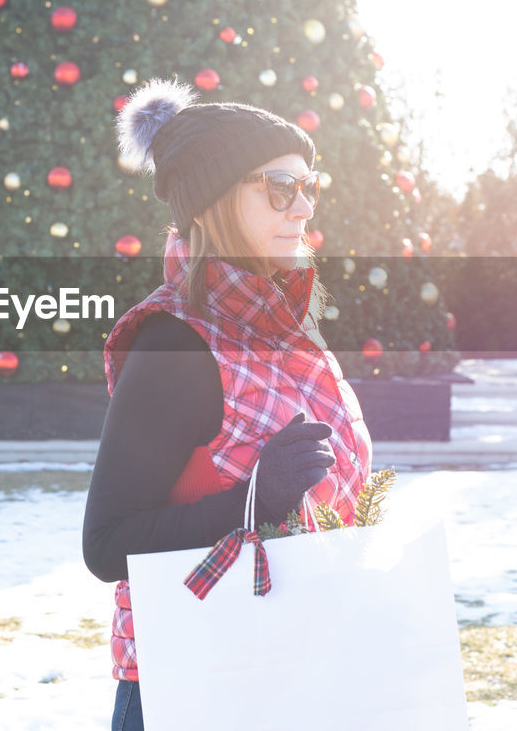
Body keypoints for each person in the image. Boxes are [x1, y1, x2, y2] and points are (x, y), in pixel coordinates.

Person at [83, 78, 374, 730]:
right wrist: (252, 501)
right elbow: (105, 544)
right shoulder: (175, 344)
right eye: (280, 187)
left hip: (293, 668)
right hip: (192, 682)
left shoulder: (293, 335)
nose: (302, 207)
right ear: (216, 199)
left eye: (311, 186)